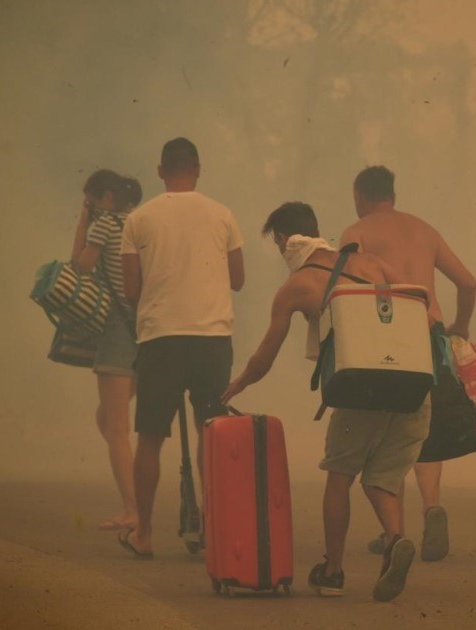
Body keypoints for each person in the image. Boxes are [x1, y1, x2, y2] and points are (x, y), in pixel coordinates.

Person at [222, 201, 427, 602]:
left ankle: (332, 572)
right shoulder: (370, 263)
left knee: (339, 475)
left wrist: (239, 383)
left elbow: (265, 356)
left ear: (284, 240)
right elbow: (420, 308)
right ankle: (395, 539)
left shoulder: (296, 287)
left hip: (361, 391)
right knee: (382, 478)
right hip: (410, 387)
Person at [338, 166, 476, 563]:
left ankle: (394, 533)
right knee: (425, 428)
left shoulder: (357, 232)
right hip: (432, 332)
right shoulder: (425, 230)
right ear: (392, 195)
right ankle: (432, 507)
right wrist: (460, 326)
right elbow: (468, 283)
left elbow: (346, 288)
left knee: (393, 431)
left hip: (387, 336)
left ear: (360, 196)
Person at [116, 138, 244, 558]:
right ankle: (214, 528)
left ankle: (145, 533)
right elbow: (238, 279)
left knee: (151, 436)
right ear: (199, 169)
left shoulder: (138, 219)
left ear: (160, 171)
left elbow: (131, 289)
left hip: (161, 338)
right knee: (211, 430)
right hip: (212, 338)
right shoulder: (223, 215)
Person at [70, 169, 143, 532]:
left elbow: (81, 266)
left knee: (115, 427)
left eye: (93, 201)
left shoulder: (106, 224)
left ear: (108, 199)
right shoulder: (139, 222)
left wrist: (84, 220)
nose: (92, 207)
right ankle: (135, 494)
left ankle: (132, 509)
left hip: (118, 330)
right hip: (147, 328)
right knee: (110, 422)